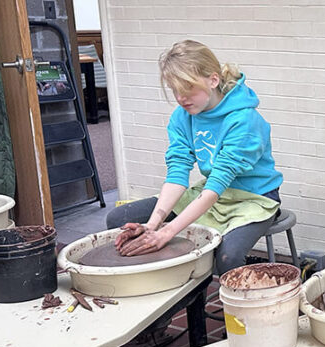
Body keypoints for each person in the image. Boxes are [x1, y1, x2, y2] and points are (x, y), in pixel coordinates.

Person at [105, 40, 283, 276]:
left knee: (227, 258)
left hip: (253, 198)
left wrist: (166, 233)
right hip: (214, 194)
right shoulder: (183, 117)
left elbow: (218, 182)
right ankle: (175, 298)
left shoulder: (244, 120)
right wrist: (152, 225)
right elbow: (177, 173)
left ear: (213, 80)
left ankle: (237, 311)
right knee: (119, 217)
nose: (181, 98)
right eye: (174, 90)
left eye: (188, 89)